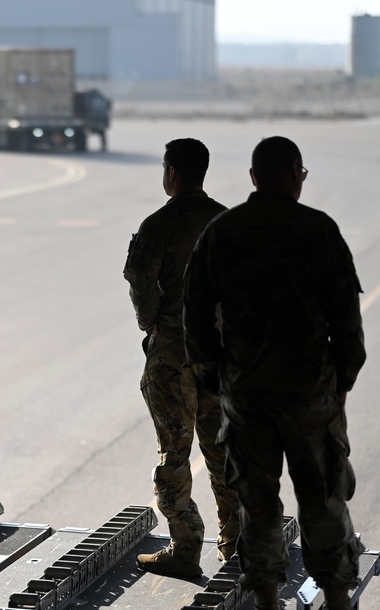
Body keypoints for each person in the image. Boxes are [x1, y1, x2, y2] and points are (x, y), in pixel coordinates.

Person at [182, 137, 380, 610]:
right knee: (323, 499)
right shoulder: (319, 231)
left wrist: (218, 378)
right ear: (295, 174)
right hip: (309, 394)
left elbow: (195, 313)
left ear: (253, 177)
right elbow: (348, 328)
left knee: (257, 503)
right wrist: (336, 386)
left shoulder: (220, 233)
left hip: (246, 396)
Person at [123, 138, 240, 578]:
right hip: (218, 357)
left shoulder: (159, 224)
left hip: (172, 355)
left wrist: (151, 323)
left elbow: (140, 280)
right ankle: (237, 547)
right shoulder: (227, 222)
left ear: (172, 173)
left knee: (175, 453)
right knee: (224, 452)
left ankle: (186, 546)